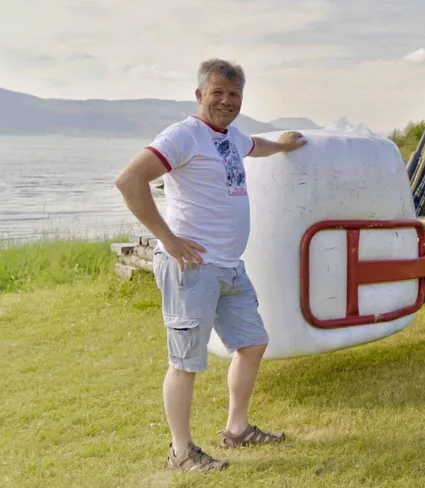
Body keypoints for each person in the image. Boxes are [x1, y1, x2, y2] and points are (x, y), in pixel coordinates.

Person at [114, 58, 308, 472]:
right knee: (185, 362)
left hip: (230, 267)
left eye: (234, 94)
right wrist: (168, 239)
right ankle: (181, 453)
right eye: (217, 93)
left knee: (253, 344)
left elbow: (257, 145)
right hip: (193, 268)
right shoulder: (183, 136)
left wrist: (286, 145)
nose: (226, 101)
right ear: (199, 94)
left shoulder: (232, 137)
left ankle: (237, 429)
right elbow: (130, 181)